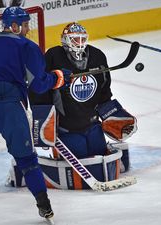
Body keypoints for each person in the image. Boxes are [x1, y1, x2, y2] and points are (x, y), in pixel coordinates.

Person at [0, 6, 71, 220]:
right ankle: (44, 205)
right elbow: (38, 85)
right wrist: (58, 77)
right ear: (15, 26)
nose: (28, 29)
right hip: (12, 109)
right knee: (28, 161)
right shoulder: (28, 46)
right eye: (25, 25)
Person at [29, 22, 137, 165]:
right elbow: (39, 89)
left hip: (92, 125)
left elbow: (104, 91)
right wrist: (44, 122)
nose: (79, 43)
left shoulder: (97, 56)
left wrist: (112, 113)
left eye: (82, 38)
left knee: (99, 156)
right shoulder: (53, 56)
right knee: (81, 161)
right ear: (65, 39)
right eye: (75, 39)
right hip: (67, 129)